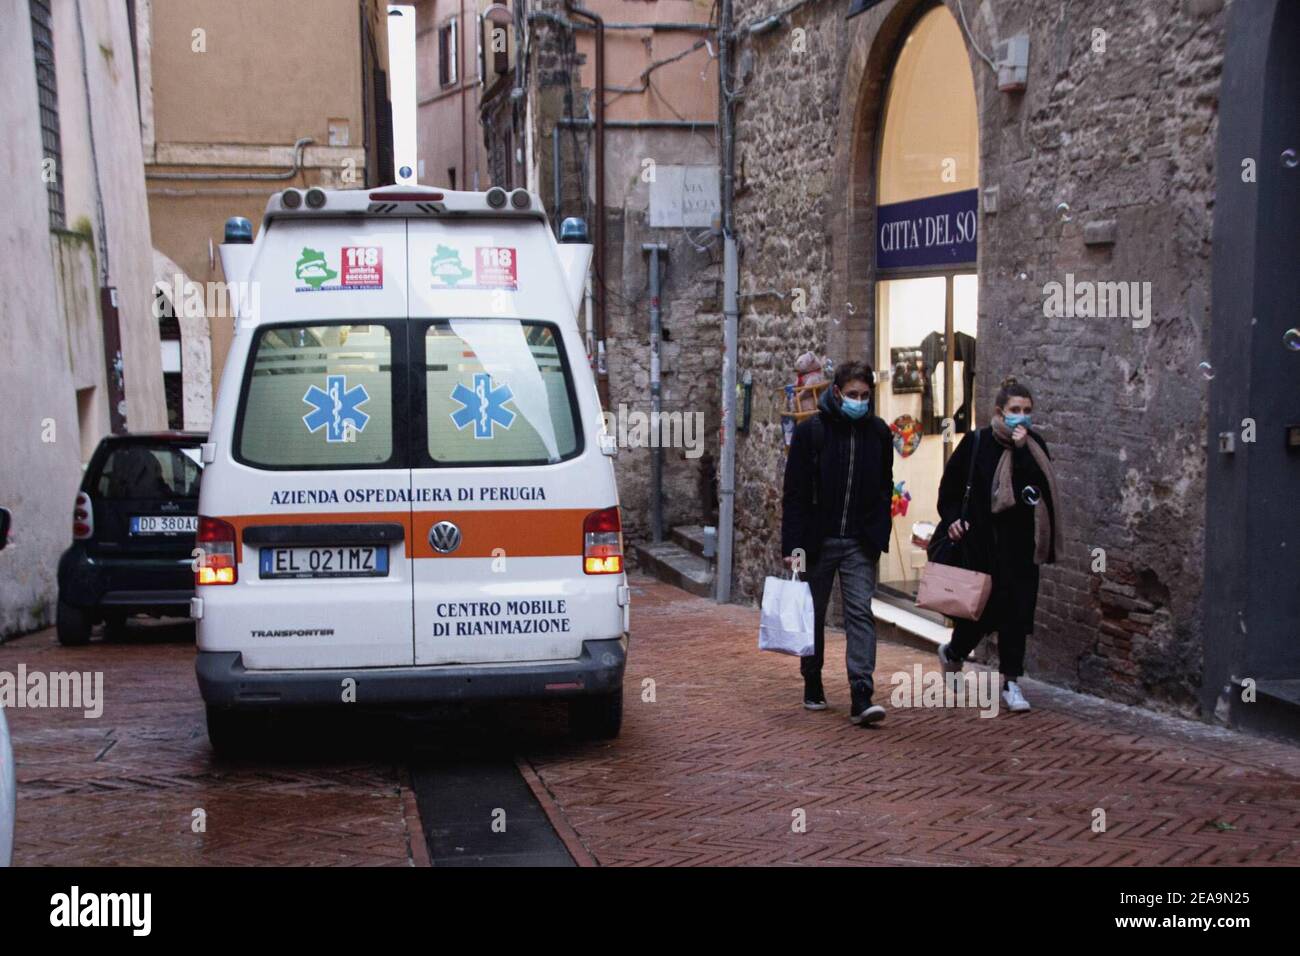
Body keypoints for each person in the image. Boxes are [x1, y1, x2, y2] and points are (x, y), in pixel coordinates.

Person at [934, 376, 1064, 713]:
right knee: (979, 615)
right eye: (1014, 410)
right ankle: (954, 652)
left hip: (1019, 548)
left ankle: (1011, 682)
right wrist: (953, 520)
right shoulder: (978, 444)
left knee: (1016, 615)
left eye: (1027, 410)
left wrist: (1021, 453)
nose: (1021, 417)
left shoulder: (1034, 447)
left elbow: (1035, 494)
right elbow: (949, 490)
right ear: (998, 411)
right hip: (981, 546)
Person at [782, 361, 894, 726]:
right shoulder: (812, 431)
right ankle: (812, 679)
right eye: (852, 395)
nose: (859, 402)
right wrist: (793, 547)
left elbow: (883, 487)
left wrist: (877, 534)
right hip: (818, 541)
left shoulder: (878, 434)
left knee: (860, 613)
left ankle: (862, 693)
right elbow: (795, 494)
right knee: (812, 612)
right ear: (836, 392)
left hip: (859, 542)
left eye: (865, 396)